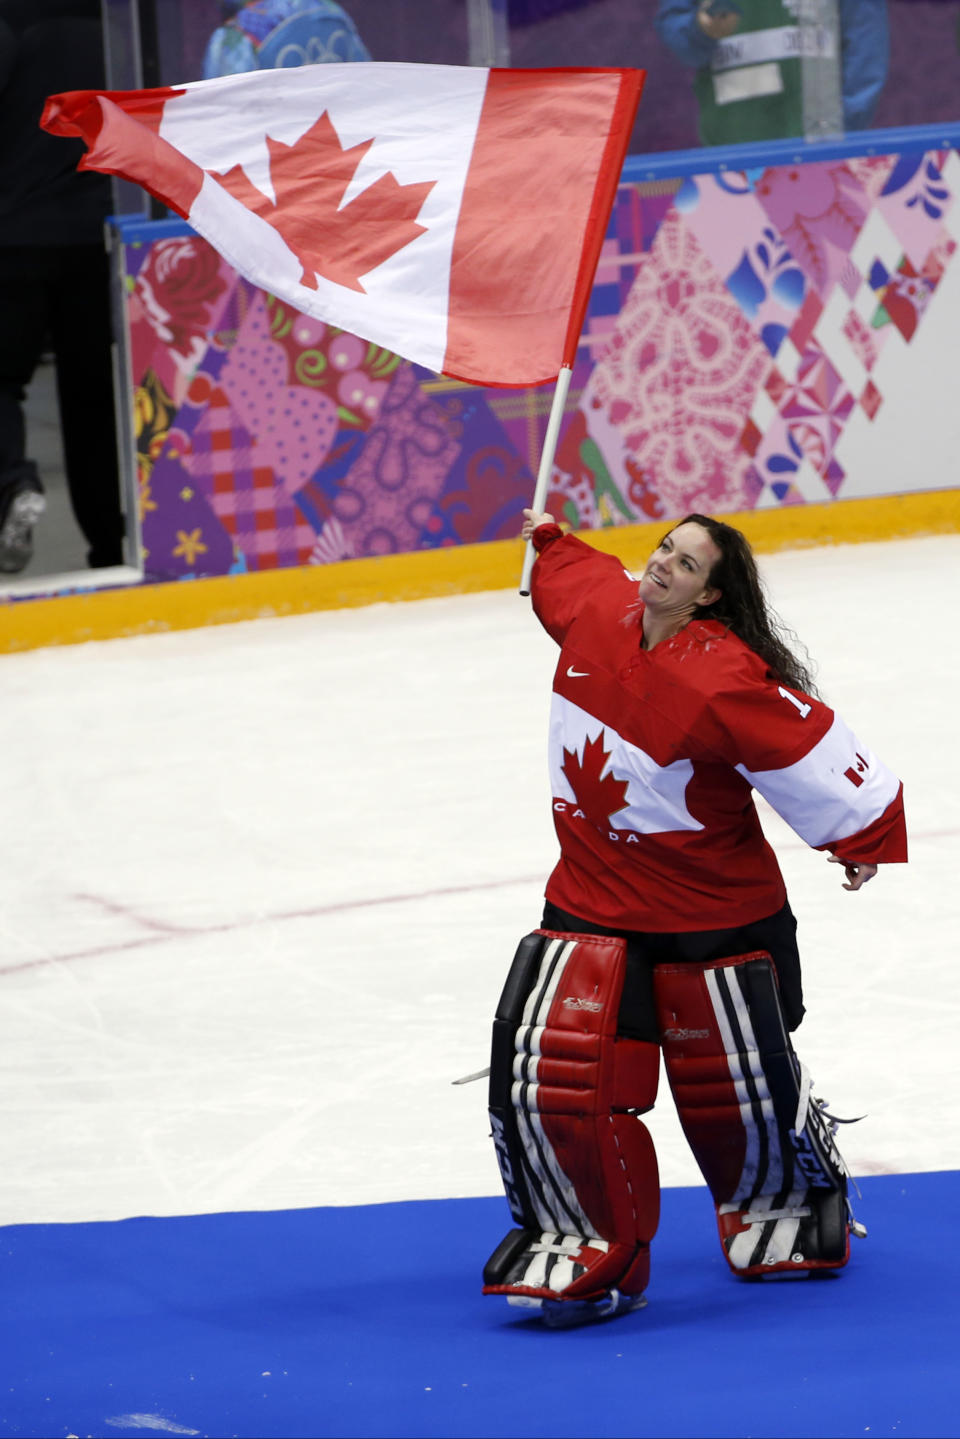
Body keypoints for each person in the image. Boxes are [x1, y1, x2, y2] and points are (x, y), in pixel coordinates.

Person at [482, 509, 906, 1326]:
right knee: (560, 1082)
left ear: (711, 594)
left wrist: (863, 835)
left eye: (686, 563)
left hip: (714, 912)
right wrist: (550, 539)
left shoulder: (724, 676)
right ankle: (589, 1247)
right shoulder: (597, 611)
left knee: (735, 1090)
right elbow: (567, 577)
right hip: (592, 897)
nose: (663, 566)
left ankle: (788, 1202)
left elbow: (808, 748)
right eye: (663, 550)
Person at [0, 0, 125, 574]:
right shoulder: (116, 23)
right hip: (101, 235)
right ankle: (111, 546)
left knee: (3, 379)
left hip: (14, 237)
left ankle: (11, 487)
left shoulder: (12, 21)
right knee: (92, 399)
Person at [655, 0, 889, 145]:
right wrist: (701, 29)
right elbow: (680, 40)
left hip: (821, 142)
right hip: (733, 142)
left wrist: (841, 129)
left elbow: (866, 50)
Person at [202, 0, 371, 79]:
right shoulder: (331, 10)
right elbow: (364, 78)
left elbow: (222, 106)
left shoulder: (239, 32)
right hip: (334, 135)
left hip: (273, 142)